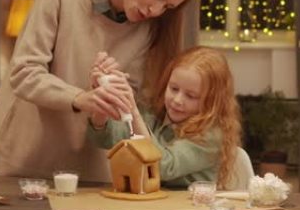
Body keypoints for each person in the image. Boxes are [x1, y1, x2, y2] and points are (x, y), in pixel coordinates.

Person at [0, 0, 199, 181]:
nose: (155, 10)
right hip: (26, 157)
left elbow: (131, 106)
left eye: (167, 6)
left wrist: (109, 91)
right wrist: (82, 98)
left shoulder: (148, 30)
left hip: (91, 168)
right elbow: (24, 74)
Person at [87, 46, 242, 189]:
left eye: (191, 96)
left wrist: (133, 111)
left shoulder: (211, 136)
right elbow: (104, 138)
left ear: (212, 101)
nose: (177, 100)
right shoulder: (155, 114)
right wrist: (103, 98)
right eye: (174, 89)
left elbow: (162, 166)